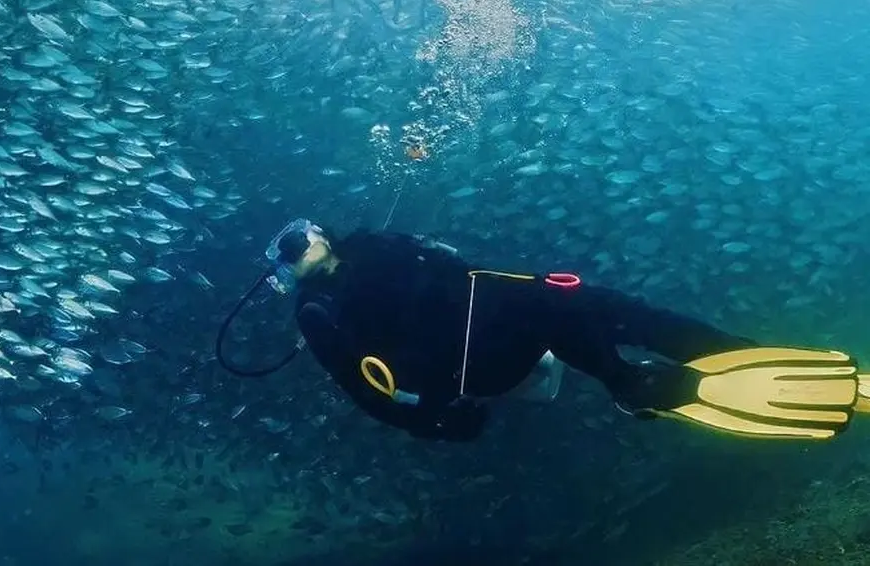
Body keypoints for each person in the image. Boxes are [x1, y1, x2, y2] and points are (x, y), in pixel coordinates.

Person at [216, 220, 870, 442]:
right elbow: (365, 393)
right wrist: (433, 424)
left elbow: (449, 263)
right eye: (291, 243)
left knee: (593, 298)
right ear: (283, 268)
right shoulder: (315, 312)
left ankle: (742, 362)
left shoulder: (371, 242)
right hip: (473, 365)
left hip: (499, 310)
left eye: (306, 228)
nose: (310, 238)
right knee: (555, 307)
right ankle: (630, 384)